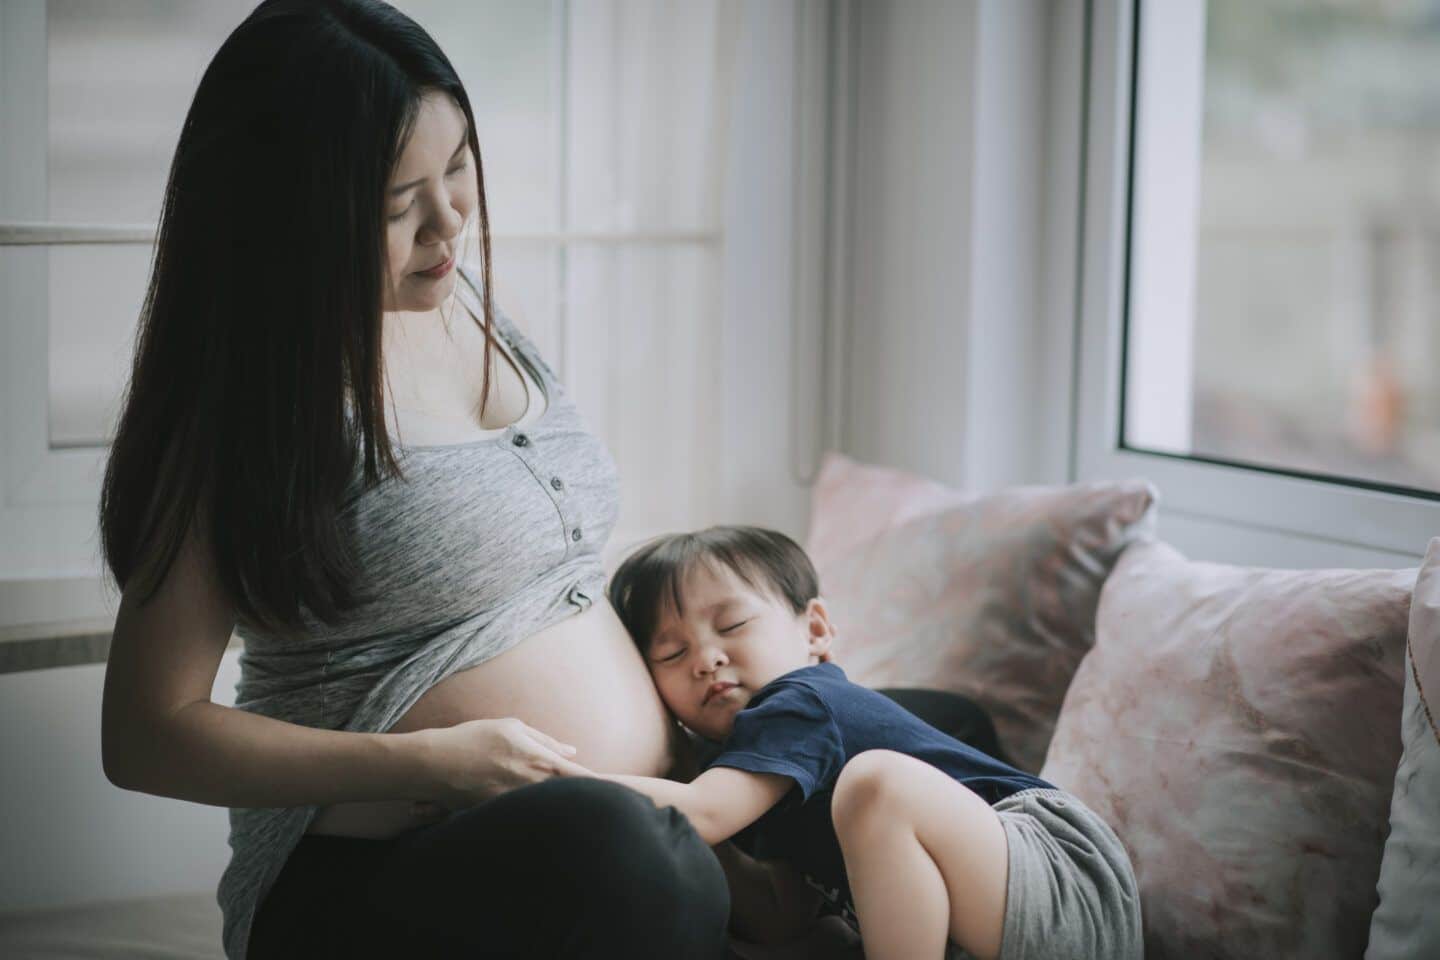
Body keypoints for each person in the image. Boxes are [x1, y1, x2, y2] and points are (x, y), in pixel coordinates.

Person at [594, 525, 1145, 960]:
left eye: (732, 624)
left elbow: (705, 812)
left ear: (815, 631)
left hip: (1057, 868)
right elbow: (782, 916)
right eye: (671, 654)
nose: (705, 658)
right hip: (997, 917)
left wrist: (539, 774)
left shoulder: (800, 701)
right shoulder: (748, 768)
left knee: (876, 783)